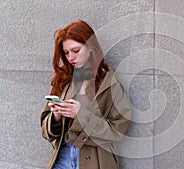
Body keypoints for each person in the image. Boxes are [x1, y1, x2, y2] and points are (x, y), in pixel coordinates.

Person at [40, 20, 131, 169]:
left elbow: (117, 131)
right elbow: (46, 132)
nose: (70, 57)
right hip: (62, 157)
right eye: (66, 52)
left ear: (90, 48)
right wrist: (56, 116)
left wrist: (81, 114)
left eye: (76, 51)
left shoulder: (109, 83)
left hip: (95, 160)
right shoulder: (63, 80)